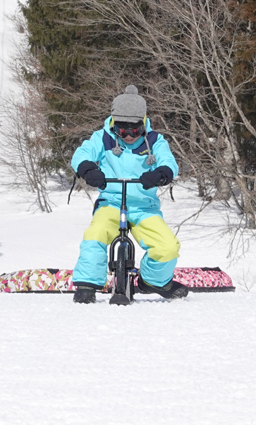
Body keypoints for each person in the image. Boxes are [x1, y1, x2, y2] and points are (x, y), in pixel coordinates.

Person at [70, 85, 189, 304]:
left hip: (144, 206)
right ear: (114, 124)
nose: (128, 136)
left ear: (143, 123)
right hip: (112, 203)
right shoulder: (102, 138)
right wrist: (88, 170)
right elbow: (82, 153)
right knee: (95, 235)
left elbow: (168, 161)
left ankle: (153, 281)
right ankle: (87, 283)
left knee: (167, 246)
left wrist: (161, 174)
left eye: (134, 130)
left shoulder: (155, 141)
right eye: (122, 131)